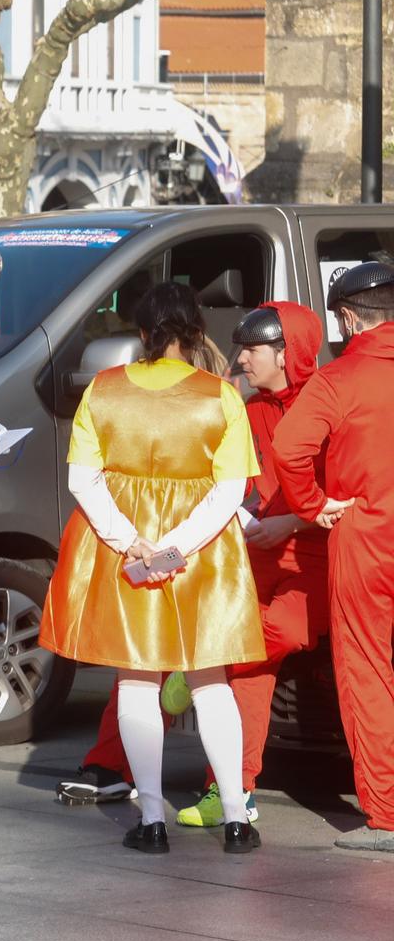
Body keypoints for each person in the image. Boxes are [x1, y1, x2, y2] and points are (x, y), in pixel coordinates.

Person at [40, 281, 265, 857]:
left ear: (141, 333)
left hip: (124, 553)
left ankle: (152, 819)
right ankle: (237, 819)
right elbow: (231, 488)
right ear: (194, 331)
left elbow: (82, 480)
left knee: (137, 679)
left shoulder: (105, 390)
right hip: (204, 551)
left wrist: (134, 542)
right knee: (212, 681)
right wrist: (180, 545)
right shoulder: (221, 395)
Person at [173, 301, 329, 827]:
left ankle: (194, 675)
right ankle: (232, 790)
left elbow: (352, 493)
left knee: (272, 636)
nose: (240, 359)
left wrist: (293, 523)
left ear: (286, 355)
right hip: (257, 550)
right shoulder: (249, 407)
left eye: (252, 350)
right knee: (251, 675)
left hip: (320, 556)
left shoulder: (329, 402)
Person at [273, 259, 394, 852]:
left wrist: (313, 504)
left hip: (365, 536)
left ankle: (388, 813)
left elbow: (288, 447)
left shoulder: (337, 379)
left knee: (369, 670)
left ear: (348, 317)